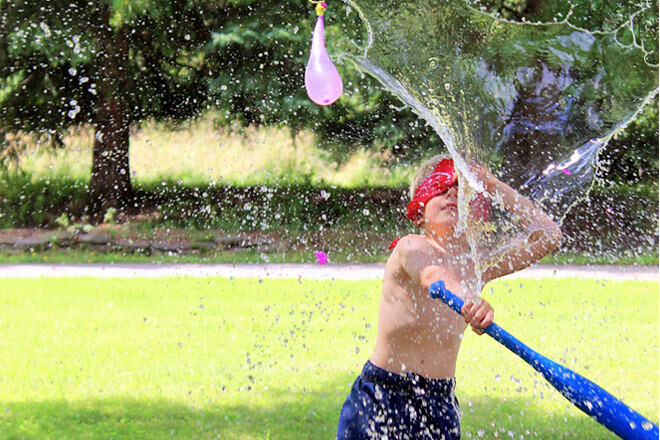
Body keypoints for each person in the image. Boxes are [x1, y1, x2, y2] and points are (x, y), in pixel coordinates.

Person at [336, 154, 562, 439]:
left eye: (459, 189)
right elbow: (435, 276)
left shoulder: (476, 266)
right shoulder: (410, 247)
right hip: (382, 393)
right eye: (440, 188)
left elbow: (549, 235)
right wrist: (471, 300)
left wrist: (492, 185)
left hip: (438, 400)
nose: (451, 193)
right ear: (418, 212)